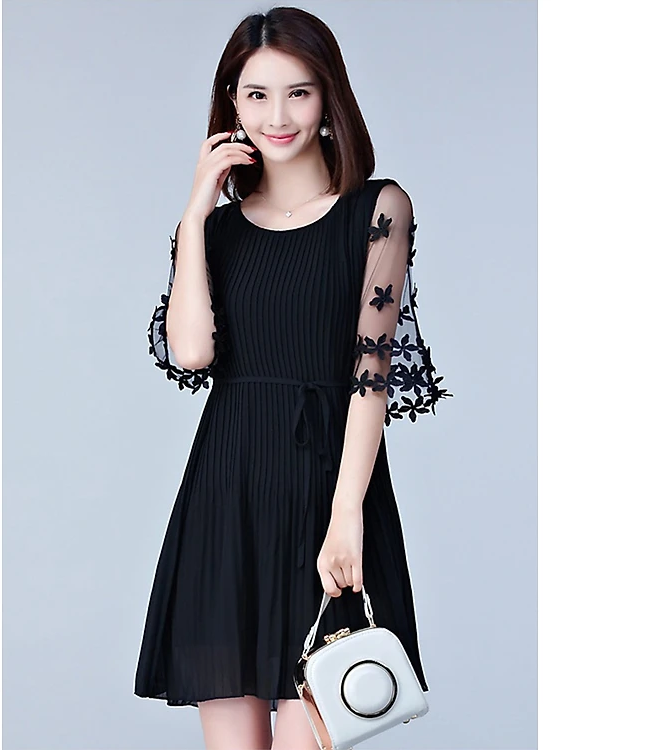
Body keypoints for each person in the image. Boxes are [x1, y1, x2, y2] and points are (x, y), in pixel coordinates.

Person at [134, 7, 452, 749]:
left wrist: (346, 517)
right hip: (228, 498)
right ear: (232, 104)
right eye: (256, 95)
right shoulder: (215, 231)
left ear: (328, 98)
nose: (277, 116)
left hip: (326, 492)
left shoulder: (376, 210)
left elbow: (370, 377)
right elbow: (191, 353)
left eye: (298, 93)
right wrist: (195, 211)